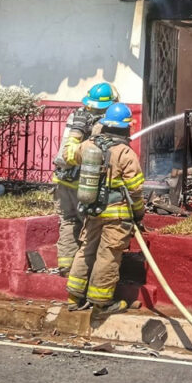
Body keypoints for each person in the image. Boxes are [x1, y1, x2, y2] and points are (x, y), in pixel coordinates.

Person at [65, 102, 144, 316]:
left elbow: (68, 155)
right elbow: (135, 190)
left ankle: (73, 297)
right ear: (126, 127)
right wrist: (139, 212)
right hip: (117, 216)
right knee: (108, 256)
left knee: (86, 250)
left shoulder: (88, 146)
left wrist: (76, 132)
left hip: (92, 211)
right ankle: (101, 304)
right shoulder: (125, 153)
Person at [51, 82, 120, 276]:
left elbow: (66, 150)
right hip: (83, 183)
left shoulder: (77, 115)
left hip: (61, 178)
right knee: (88, 225)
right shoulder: (103, 123)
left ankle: (65, 266)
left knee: (67, 220)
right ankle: (84, 269)